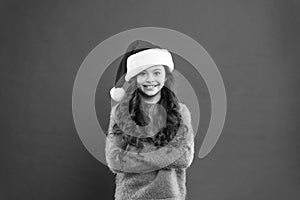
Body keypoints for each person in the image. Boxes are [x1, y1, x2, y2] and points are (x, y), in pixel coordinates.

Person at [105, 40, 195, 200]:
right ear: (134, 78)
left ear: (166, 76)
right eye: (142, 73)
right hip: (129, 196)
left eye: (157, 72)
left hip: (169, 196)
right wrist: (164, 153)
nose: (150, 79)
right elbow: (114, 160)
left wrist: (134, 154)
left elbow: (183, 157)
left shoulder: (181, 112)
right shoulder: (119, 113)